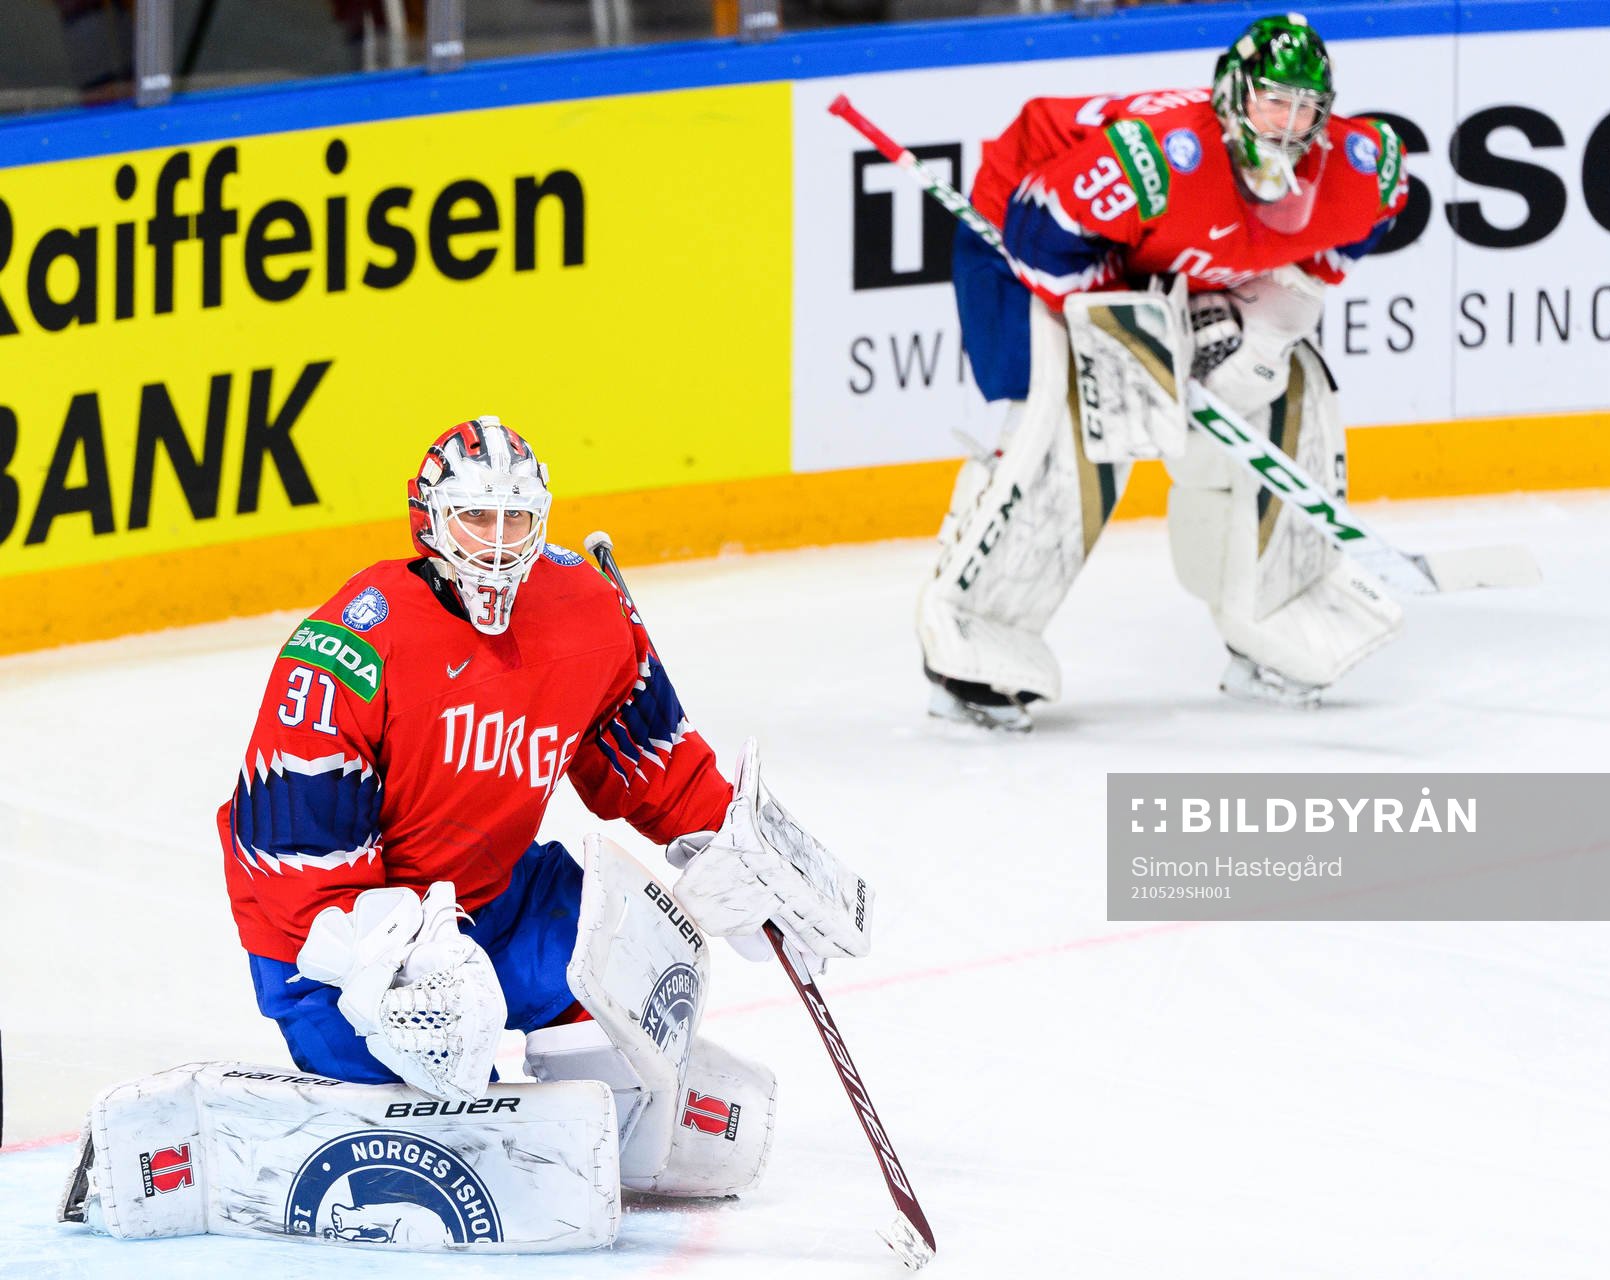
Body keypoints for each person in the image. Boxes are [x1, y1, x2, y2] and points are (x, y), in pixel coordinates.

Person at [215, 415, 875, 1201]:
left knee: (639, 953)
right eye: (475, 518)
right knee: (432, 1089)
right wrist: (405, 967)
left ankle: (596, 1099)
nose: (496, 543)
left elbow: (651, 761)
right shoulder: (345, 654)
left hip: (493, 900)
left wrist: (742, 853)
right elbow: (296, 873)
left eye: (515, 518)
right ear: (429, 521)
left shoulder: (584, 610)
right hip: (333, 948)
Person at [922, 12, 1409, 730]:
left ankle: (1272, 612)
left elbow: (1372, 220)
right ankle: (973, 642)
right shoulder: (1155, 158)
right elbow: (1041, 226)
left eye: (1307, 107)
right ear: (1232, 93)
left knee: (1281, 384)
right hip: (1027, 240)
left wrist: (1264, 314)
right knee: (1077, 417)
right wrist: (1143, 327)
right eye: (1274, 98)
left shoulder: (1359, 165)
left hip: (1160, 253)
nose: (1289, 122)